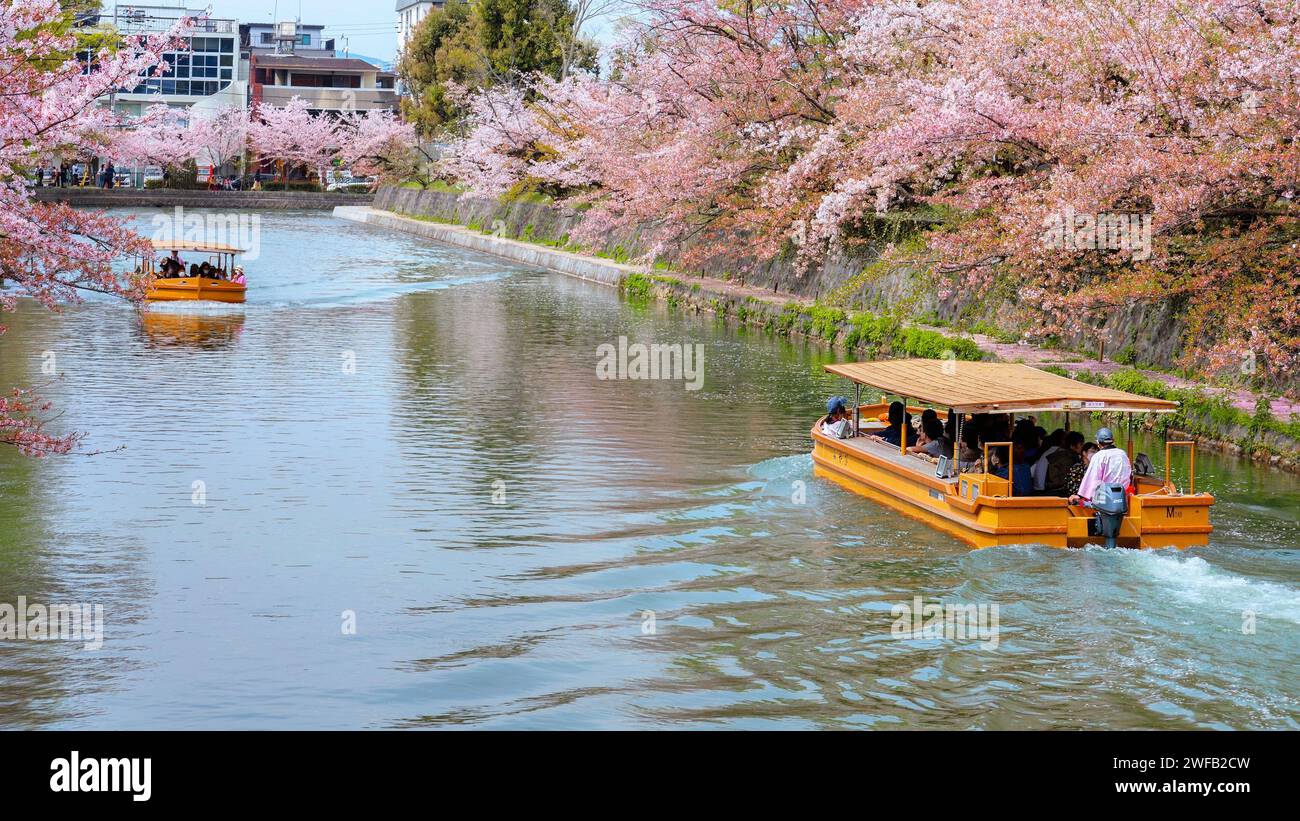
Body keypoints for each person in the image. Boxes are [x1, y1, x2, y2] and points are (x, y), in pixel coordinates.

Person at [1070, 428, 1132, 547]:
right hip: (1122, 497)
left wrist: (1081, 497)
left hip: (1105, 498)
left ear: (1098, 442)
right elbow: (1128, 476)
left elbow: (1093, 479)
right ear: (1113, 440)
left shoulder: (1098, 456)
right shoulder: (1123, 454)